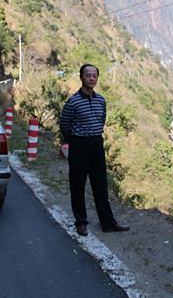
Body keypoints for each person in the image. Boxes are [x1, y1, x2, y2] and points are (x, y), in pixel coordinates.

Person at [59, 63, 129, 236]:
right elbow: (64, 125)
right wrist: (73, 141)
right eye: (87, 75)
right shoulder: (73, 102)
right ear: (81, 77)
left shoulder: (101, 100)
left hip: (96, 145)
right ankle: (81, 222)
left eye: (94, 75)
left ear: (97, 78)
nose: (91, 78)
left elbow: (101, 121)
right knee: (78, 185)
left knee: (101, 185)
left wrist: (93, 135)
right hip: (79, 145)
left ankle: (108, 223)